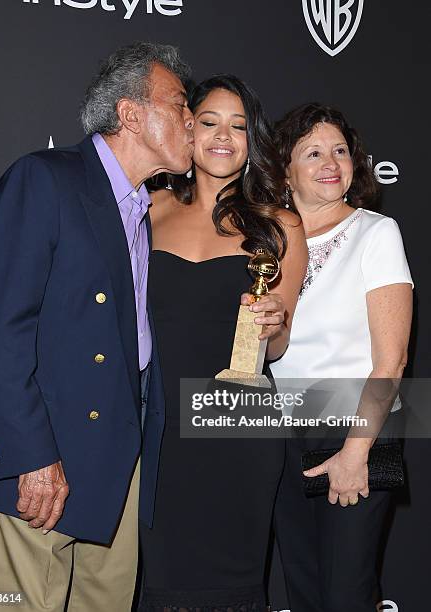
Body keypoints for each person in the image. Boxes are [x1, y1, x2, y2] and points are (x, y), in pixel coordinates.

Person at [0, 42, 194, 611]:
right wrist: (31, 457)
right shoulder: (44, 180)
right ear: (131, 114)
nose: (193, 120)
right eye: (181, 105)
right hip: (40, 462)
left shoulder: (143, 209)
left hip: (118, 463)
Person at [139, 75, 308, 611]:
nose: (222, 136)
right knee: (155, 576)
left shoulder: (280, 225)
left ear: (251, 141)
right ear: (187, 129)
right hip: (157, 422)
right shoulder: (149, 209)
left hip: (235, 421)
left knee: (229, 584)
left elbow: (276, 347)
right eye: (209, 122)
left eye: (238, 127)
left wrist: (274, 321)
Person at [269, 103, 413, 612]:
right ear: (285, 170)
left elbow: (391, 361)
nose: (331, 162)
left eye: (340, 151)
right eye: (313, 153)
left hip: (356, 429)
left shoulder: (376, 233)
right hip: (284, 434)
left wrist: (356, 455)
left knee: (346, 596)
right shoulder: (267, 245)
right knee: (303, 590)